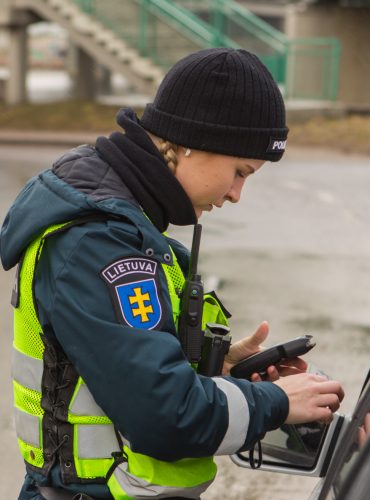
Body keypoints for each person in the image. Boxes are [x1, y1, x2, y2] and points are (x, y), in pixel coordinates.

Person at [1, 47, 344, 500]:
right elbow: (163, 414)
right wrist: (278, 403)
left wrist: (217, 368)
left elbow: (125, 372)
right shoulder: (99, 243)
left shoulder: (125, 227)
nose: (237, 194)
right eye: (239, 172)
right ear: (190, 143)